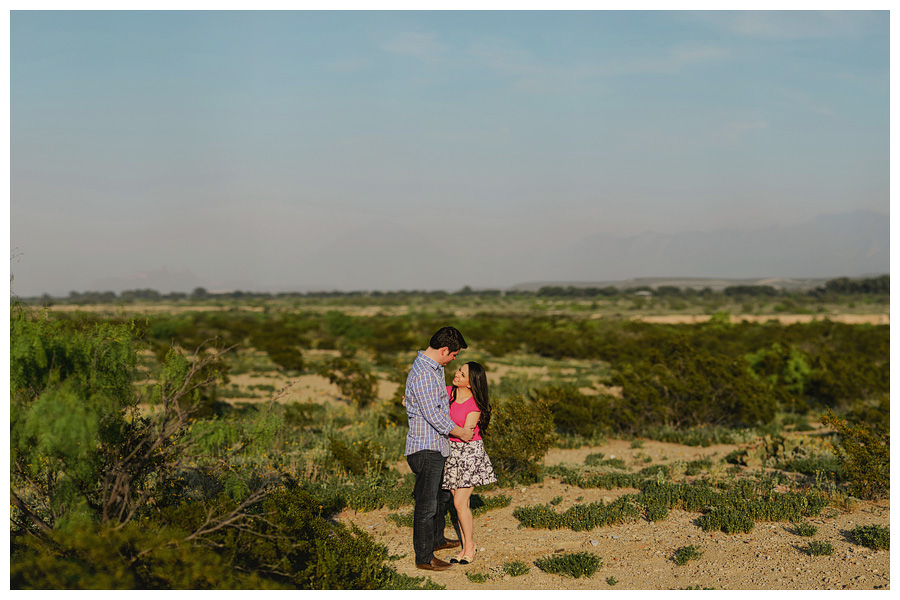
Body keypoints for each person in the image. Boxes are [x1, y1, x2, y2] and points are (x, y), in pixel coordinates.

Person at [404, 326, 474, 572]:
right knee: (426, 504)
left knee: (440, 497)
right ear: (445, 350)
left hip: (437, 445)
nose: (454, 359)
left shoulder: (434, 368)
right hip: (426, 447)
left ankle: (437, 540)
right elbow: (433, 414)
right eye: (454, 355)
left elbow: (437, 402)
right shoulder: (424, 372)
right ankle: (424, 557)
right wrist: (460, 431)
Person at [441, 361, 497, 565]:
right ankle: (465, 548)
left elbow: (466, 434)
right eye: (458, 370)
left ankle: (470, 545)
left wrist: (440, 424)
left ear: (471, 383)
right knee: (460, 505)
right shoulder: (447, 392)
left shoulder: (475, 405)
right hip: (451, 452)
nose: (456, 375)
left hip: (469, 453)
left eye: (462, 374)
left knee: (458, 503)